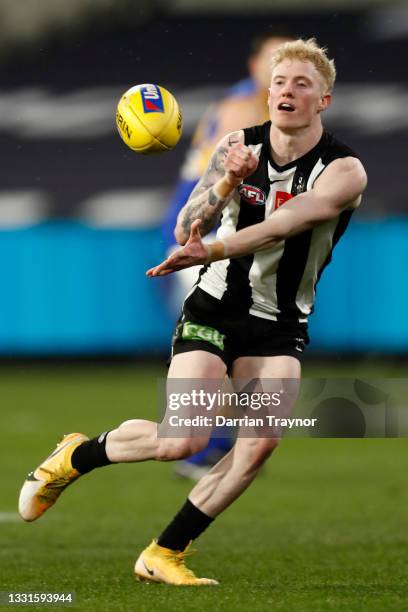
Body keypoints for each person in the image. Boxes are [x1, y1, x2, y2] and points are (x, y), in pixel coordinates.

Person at [18, 39, 367, 586]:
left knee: (258, 445)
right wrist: (227, 179)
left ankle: (164, 552)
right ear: (267, 93)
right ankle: (74, 457)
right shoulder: (237, 145)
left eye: (302, 84)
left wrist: (216, 247)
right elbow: (186, 226)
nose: (287, 91)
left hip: (280, 323)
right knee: (184, 439)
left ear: (323, 100)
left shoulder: (344, 170)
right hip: (216, 306)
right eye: (280, 82)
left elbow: (288, 223)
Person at [163, 29, 295, 479]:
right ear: (254, 64)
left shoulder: (265, 108)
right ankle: (203, 451)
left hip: (220, 240)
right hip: (201, 239)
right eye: (273, 59)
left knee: (234, 352)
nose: (282, 69)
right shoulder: (242, 109)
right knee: (221, 348)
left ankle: (210, 447)